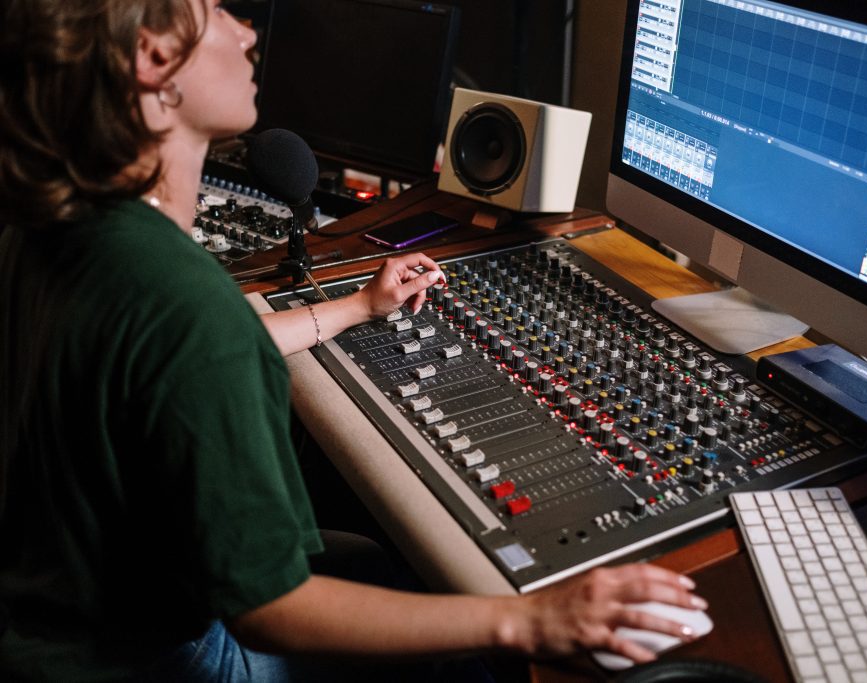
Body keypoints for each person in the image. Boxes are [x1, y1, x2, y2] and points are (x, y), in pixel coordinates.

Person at [0, 0, 709, 680]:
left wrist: (356, 306)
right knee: (466, 654)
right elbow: (270, 610)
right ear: (153, 60)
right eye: (216, 9)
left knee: (372, 560)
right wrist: (527, 620)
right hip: (160, 662)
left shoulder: (57, 228)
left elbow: (161, 355)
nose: (247, 33)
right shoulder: (188, 308)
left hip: (46, 625)